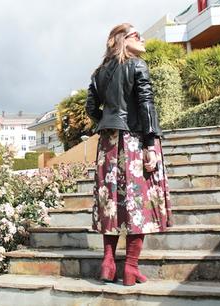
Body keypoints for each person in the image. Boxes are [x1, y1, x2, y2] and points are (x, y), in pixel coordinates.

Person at [85, 23, 173, 286]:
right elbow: (146, 105)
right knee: (139, 203)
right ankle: (131, 268)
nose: (143, 38)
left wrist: (107, 120)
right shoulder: (137, 65)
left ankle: (108, 264)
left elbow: (91, 107)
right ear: (121, 40)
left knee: (110, 201)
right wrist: (149, 144)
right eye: (137, 35)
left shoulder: (99, 72)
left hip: (108, 142)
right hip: (135, 139)